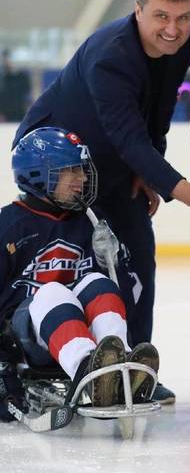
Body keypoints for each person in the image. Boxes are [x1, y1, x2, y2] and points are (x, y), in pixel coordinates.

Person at [13, 0, 190, 402]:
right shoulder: (110, 56)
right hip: (57, 164)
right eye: (160, 16)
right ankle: (48, 362)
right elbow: (127, 137)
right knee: (61, 262)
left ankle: (133, 370)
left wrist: (147, 168)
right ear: (137, 11)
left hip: (115, 161)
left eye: (183, 17)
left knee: (137, 252)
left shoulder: (185, 39)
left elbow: (158, 107)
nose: (172, 30)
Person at [0, 127, 160, 423]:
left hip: (78, 329)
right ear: (38, 174)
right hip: (25, 341)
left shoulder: (92, 222)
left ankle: (118, 363)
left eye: (82, 170)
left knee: (97, 282)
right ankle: (90, 370)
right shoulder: (8, 226)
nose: (83, 178)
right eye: (71, 170)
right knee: (52, 292)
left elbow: (126, 298)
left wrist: (113, 261)